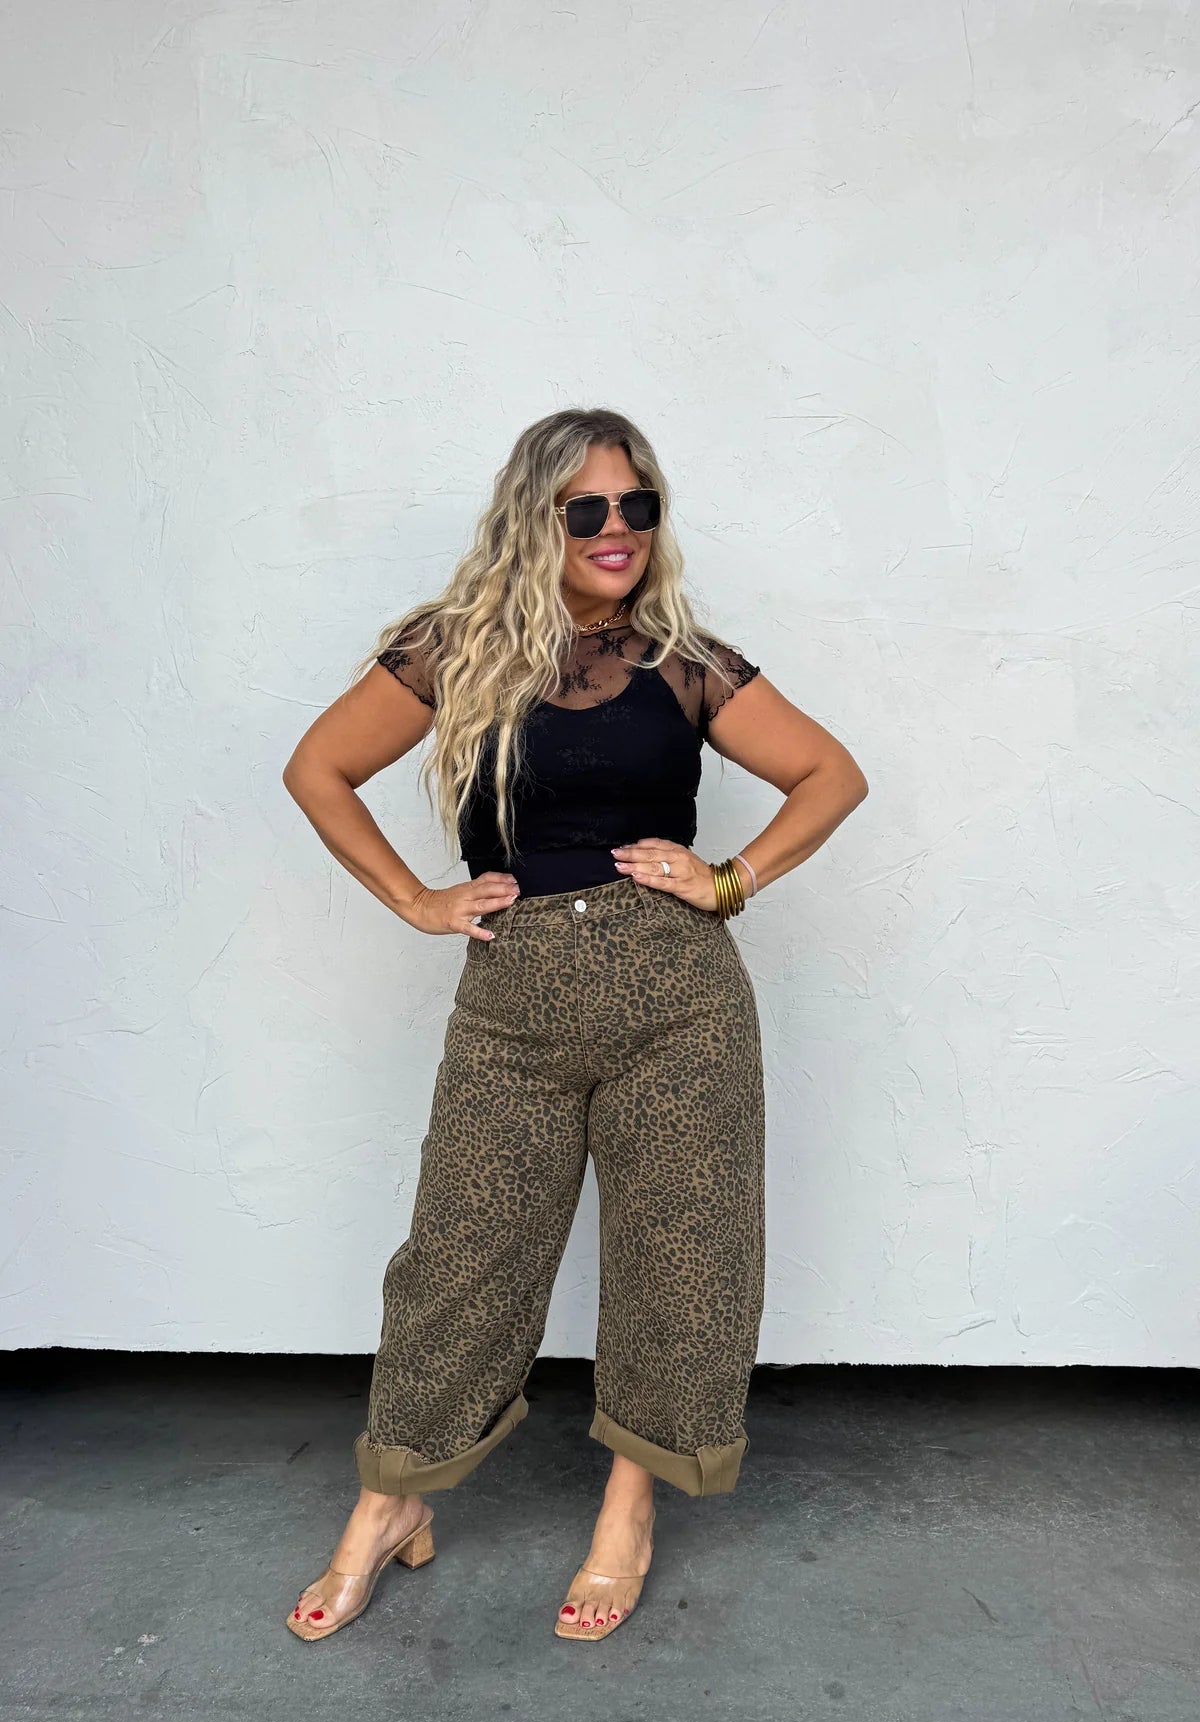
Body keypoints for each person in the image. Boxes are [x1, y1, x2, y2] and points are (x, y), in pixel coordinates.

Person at [280, 406, 869, 1644]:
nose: (616, 529)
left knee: (682, 1262)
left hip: (680, 1003)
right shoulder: (455, 649)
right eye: (585, 508)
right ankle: (391, 1502)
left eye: (636, 505)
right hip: (516, 1004)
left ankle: (628, 1512)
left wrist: (730, 879)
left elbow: (832, 775)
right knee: (459, 1258)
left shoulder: (687, 661)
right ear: (534, 518)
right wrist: (417, 900)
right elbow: (316, 769)